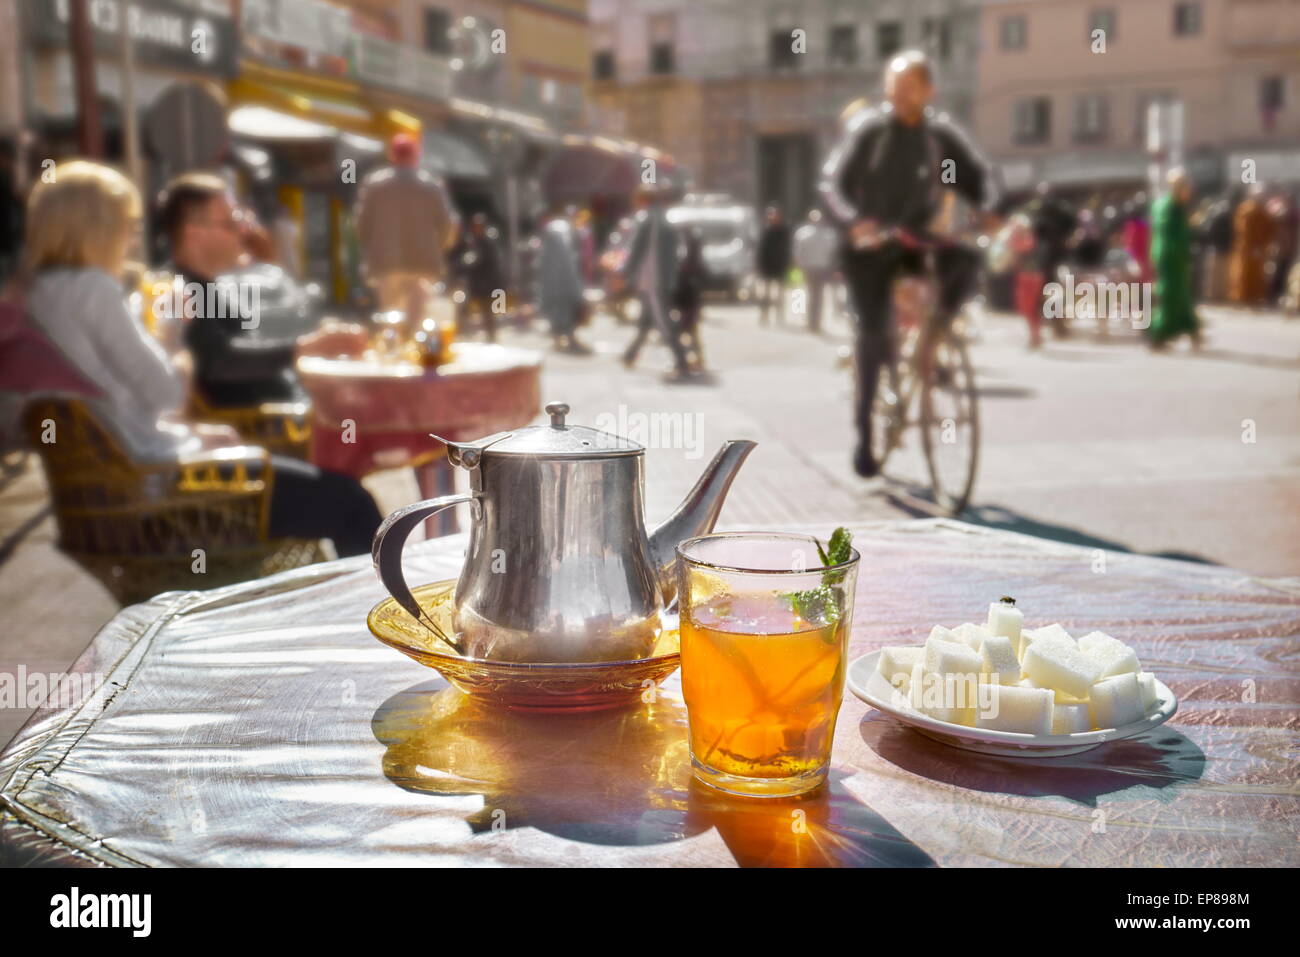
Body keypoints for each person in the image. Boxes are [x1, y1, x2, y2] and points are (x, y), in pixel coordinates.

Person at [17, 160, 381, 556]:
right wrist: (170, 332)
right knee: (352, 504)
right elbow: (167, 394)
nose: (133, 237)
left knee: (339, 494)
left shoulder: (39, 293)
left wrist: (189, 433)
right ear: (97, 227)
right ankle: (369, 613)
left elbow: (116, 405)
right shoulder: (95, 290)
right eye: (127, 224)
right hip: (163, 490)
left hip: (122, 486)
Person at [819, 49, 995, 478]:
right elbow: (834, 186)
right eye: (894, 87)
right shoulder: (872, 134)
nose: (900, 95)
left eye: (910, 87)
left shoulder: (939, 139)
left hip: (917, 240)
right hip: (872, 246)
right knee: (874, 336)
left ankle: (936, 333)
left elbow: (969, 177)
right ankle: (864, 435)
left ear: (928, 90)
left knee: (967, 260)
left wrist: (986, 208)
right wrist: (854, 222)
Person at [157, 172, 303, 407]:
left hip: (280, 418)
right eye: (232, 223)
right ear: (194, 233)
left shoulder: (203, 285)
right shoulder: (178, 290)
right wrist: (301, 350)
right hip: (261, 431)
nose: (244, 231)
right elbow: (218, 361)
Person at [355, 133, 459, 335]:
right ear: (416, 155)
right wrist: (440, 247)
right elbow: (448, 224)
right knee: (418, 317)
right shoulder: (430, 185)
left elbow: (361, 225)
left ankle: (395, 354)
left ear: (392, 155)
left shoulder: (374, 185)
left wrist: (373, 246)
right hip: (423, 262)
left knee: (391, 315)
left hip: (385, 262)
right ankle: (416, 356)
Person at [620, 183, 692, 377]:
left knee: (663, 322)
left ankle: (681, 361)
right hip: (660, 278)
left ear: (642, 200)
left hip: (654, 280)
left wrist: (624, 271)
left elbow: (637, 249)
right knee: (646, 319)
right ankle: (631, 354)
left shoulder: (647, 220)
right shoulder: (664, 218)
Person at [1147, 168, 1200, 350]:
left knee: (1182, 294)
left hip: (1177, 257)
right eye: (1185, 187)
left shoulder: (1176, 206)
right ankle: (1158, 335)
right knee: (1170, 295)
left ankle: (1192, 330)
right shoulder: (1168, 207)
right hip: (1170, 257)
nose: (1189, 191)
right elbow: (1170, 235)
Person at [536, 205, 590, 353]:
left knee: (560, 309)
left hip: (555, 278)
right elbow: (566, 258)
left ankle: (561, 337)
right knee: (565, 309)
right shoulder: (561, 230)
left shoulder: (558, 229)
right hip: (562, 278)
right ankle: (567, 337)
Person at [1029, 182, 1075, 338]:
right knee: (1056, 288)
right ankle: (1057, 322)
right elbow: (1071, 224)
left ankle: (1055, 322)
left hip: (1049, 255)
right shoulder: (1059, 209)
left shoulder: (1040, 211)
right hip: (1058, 254)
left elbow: (1035, 232)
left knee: (1050, 288)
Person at [454, 213, 506, 342]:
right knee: (465, 307)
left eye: (479, 226)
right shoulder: (473, 241)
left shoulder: (486, 242)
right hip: (477, 283)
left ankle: (491, 337)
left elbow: (478, 259)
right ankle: (466, 332)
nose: (477, 229)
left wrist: (466, 262)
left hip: (487, 283)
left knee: (487, 312)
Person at [792, 208, 838, 333]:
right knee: (817, 295)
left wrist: (798, 264)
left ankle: (811, 321)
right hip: (820, 267)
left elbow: (798, 252)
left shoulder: (803, 233)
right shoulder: (828, 235)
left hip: (810, 268)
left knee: (811, 294)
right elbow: (832, 253)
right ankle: (814, 321)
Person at [1228, 184, 1274, 306]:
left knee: (1257, 274)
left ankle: (1255, 297)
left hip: (1259, 249)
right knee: (1243, 274)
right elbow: (1242, 230)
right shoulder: (1245, 209)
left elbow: (1269, 230)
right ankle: (1241, 298)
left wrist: (1263, 245)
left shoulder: (1264, 212)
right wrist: (1251, 246)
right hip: (1246, 248)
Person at [673, 226, 707, 370]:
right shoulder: (693, 260)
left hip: (688, 300)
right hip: (689, 300)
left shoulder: (690, 261)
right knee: (689, 331)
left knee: (686, 331)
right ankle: (694, 359)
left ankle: (687, 360)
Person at [756, 206, 792, 324]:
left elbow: (788, 249)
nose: (773, 218)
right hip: (768, 266)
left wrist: (788, 264)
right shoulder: (766, 231)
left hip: (780, 266)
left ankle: (779, 315)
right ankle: (764, 315)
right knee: (766, 293)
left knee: (780, 292)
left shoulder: (784, 231)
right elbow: (761, 250)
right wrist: (760, 266)